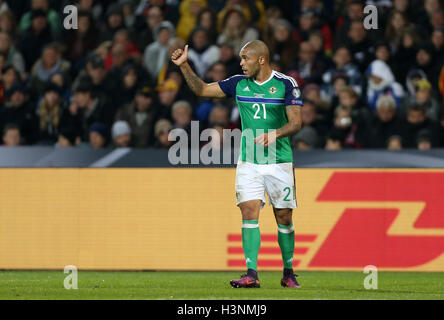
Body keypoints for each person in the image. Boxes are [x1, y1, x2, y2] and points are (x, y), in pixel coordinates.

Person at [171, 40, 303, 288]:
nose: (241, 64)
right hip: (249, 161)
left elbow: (296, 123)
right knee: (248, 210)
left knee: (283, 216)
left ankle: (288, 272)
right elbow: (201, 90)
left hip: (279, 161)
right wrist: (184, 66)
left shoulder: (286, 84)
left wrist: (275, 134)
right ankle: (251, 274)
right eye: (241, 59)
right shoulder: (238, 83)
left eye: (246, 59)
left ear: (261, 59)